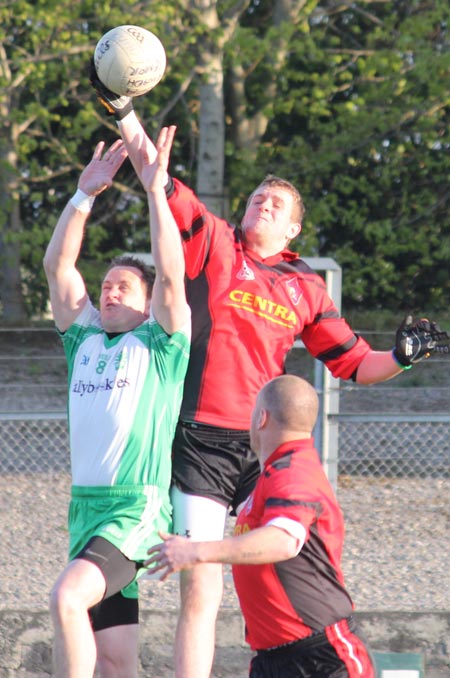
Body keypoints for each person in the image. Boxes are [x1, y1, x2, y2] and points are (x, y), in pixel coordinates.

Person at [90, 73, 448, 677]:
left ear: (294, 229)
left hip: (264, 448)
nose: (263, 204)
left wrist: (405, 359)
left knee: (294, 554)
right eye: (257, 197)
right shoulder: (219, 245)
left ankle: (320, 653)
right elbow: (161, 178)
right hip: (201, 441)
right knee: (201, 585)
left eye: (276, 204)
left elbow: (355, 362)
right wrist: (125, 111)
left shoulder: (307, 285)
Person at [43, 127, 191, 678]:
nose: (109, 291)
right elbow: (59, 270)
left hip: (135, 509)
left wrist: (156, 191)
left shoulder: (159, 343)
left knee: (65, 599)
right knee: (115, 660)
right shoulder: (82, 339)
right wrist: (82, 197)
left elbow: (172, 274)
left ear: (150, 302)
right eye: (105, 285)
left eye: (124, 286)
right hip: (86, 508)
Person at [146, 374, 376, 677]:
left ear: (261, 418)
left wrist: (197, 551)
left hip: (322, 659)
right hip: (276, 659)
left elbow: (283, 540)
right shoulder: (275, 472)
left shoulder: (293, 472)